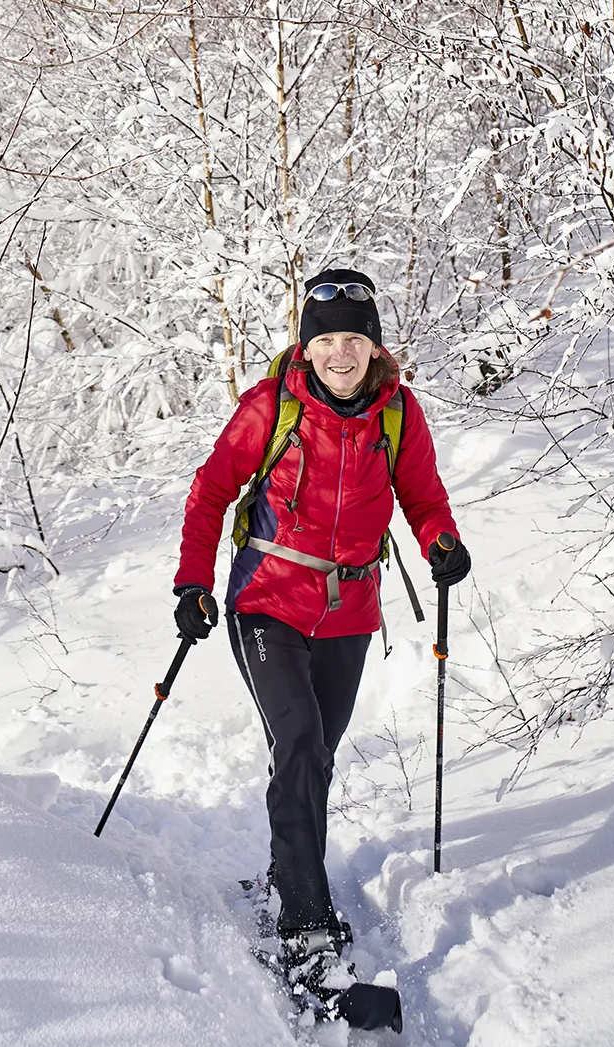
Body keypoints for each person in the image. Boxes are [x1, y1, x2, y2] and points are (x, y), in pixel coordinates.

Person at [171, 267, 471, 998]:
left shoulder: (398, 416)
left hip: (351, 612)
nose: (340, 353)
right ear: (305, 348)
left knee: (314, 757)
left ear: (374, 347)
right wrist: (192, 583)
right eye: (326, 339)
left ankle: (286, 873)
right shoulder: (270, 408)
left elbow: (424, 498)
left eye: (354, 340)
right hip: (267, 600)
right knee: (299, 738)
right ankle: (305, 923)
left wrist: (442, 540)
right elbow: (212, 491)